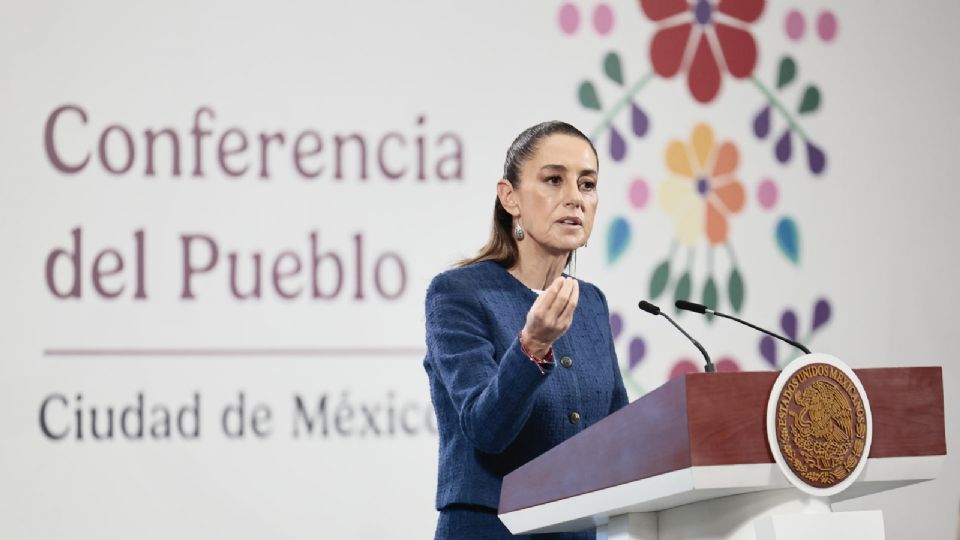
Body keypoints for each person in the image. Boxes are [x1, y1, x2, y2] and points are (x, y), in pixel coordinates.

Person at [423, 121, 629, 539]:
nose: (575, 197)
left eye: (587, 184)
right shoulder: (459, 293)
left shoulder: (590, 303)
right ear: (510, 197)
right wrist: (532, 346)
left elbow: (619, 432)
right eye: (554, 180)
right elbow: (486, 430)